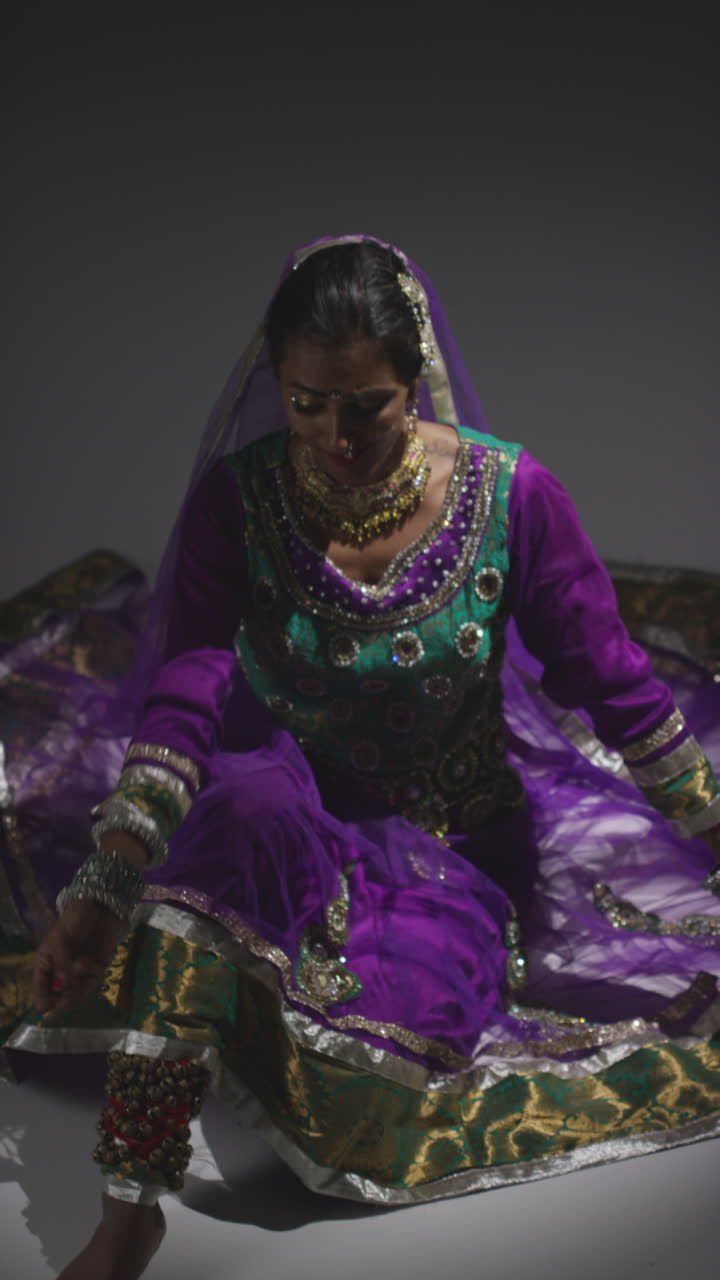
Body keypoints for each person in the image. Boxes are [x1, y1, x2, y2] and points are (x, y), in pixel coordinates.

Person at [1, 234, 719, 1280]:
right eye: (306, 404)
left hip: (450, 846)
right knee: (182, 890)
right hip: (282, 808)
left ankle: (237, 992)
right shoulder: (239, 504)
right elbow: (187, 693)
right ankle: (129, 1209)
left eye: (367, 406)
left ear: (416, 375)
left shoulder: (512, 497)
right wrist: (108, 876)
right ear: (276, 384)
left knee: (375, 1079)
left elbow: (614, 685)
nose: (335, 437)